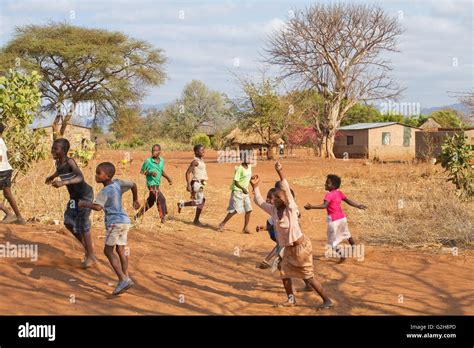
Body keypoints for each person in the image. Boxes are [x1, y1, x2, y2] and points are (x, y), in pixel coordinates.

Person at [251, 162, 333, 309]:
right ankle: (291, 299)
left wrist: (280, 171)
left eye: (278, 197)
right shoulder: (274, 210)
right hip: (289, 249)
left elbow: (286, 188)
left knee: (308, 277)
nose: (275, 199)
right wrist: (255, 186)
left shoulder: (291, 208)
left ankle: (327, 300)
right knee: (284, 273)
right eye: (274, 197)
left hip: (302, 248)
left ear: (285, 199)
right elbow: (259, 201)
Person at [78, 162, 140, 296]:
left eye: (98, 173)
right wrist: (135, 199)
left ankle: (123, 279)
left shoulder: (104, 191)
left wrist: (84, 204)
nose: (96, 175)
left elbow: (97, 207)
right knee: (120, 250)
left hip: (115, 223)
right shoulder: (117, 183)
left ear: (107, 176)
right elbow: (133, 185)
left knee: (107, 251)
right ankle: (126, 276)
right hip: (125, 221)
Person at [45, 138, 97, 268]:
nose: (53, 150)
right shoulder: (58, 162)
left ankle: (90, 256)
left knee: (83, 223)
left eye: (55, 148)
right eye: (53, 147)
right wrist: (52, 176)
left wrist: (63, 183)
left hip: (84, 196)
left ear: (64, 151)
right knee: (68, 222)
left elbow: (80, 177)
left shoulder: (70, 161)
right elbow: (60, 170)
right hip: (74, 197)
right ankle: (88, 248)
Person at [304, 174, 367, 262]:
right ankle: (354, 247)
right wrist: (358, 205)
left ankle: (342, 255)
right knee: (347, 234)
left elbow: (324, 206)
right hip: (342, 218)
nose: (325, 184)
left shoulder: (328, 195)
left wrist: (311, 207)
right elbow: (348, 201)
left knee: (331, 242)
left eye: (327, 183)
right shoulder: (339, 193)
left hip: (333, 220)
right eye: (326, 183)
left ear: (333, 186)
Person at [135, 144, 172, 223]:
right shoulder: (148, 161)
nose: (153, 152)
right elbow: (142, 171)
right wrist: (150, 173)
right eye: (153, 150)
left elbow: (161, 171)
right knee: (161, 198)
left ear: (159, 151)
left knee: (150, 202)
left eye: (155, 150)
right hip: (151, 184)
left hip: (157, 184)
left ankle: (137, 216)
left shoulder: (161, 160)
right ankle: (163, 218)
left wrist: (168, 178)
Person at [218, 153, 253, 233]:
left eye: (251, 158)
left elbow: (249, 178)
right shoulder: (240, 169)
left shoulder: (250, 167)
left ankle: (245, 228)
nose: (250, 159)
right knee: (235, 210)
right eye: (248, 158)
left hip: (245, 191)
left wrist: (253, 186)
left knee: (249, 209)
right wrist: (242, 188)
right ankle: (222, 223)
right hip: (237, 191)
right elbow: (236, 182)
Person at [0, 123, 25, 225]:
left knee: (8, 194)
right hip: (5, 170)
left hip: (2, 171)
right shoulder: (2, 141)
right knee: (8, 194)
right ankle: (19, 218)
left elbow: (0, 158)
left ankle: (10, 214)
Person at [177, 144, 208, 226]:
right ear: (196, 152)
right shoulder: (195, 161)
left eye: (204, 150)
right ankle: (182, 204)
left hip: (201, 184)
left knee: (202, 201)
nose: (203, 151)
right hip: (197, 184)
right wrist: (188, 185)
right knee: (200, 201)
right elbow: (187, 173)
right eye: (202, 150)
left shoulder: (201, 160)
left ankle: (196, 220)